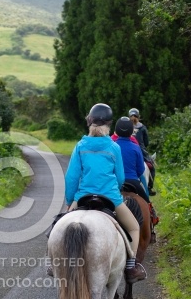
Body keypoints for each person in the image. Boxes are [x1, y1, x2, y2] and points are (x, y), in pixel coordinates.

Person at [64, 103, 146, 284]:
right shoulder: (113, 147)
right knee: (134, 227)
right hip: (110, 197)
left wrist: (71, 201)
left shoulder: (80, 146)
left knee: (58, 226)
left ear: (90, 122)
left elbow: (71, 178)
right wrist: (114, 191)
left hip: (83, 196)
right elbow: (120, 178)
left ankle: (52, 262)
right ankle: (131, 267)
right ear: (109, 124)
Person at [113, 117, 160, 225]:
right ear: (131, 131)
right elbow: (141, 170)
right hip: (133, 181)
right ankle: (152, 220)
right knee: (146, 202)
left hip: (115, 183)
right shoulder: (135, 147)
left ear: (116, 130)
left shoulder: (112, 146)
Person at [128, 108, 156, 195]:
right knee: (151, 167)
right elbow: (146, 142)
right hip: (140, 151)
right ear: (138, 116)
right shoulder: (142, 127)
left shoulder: (126, 126)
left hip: (129, 149)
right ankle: (149, 187)